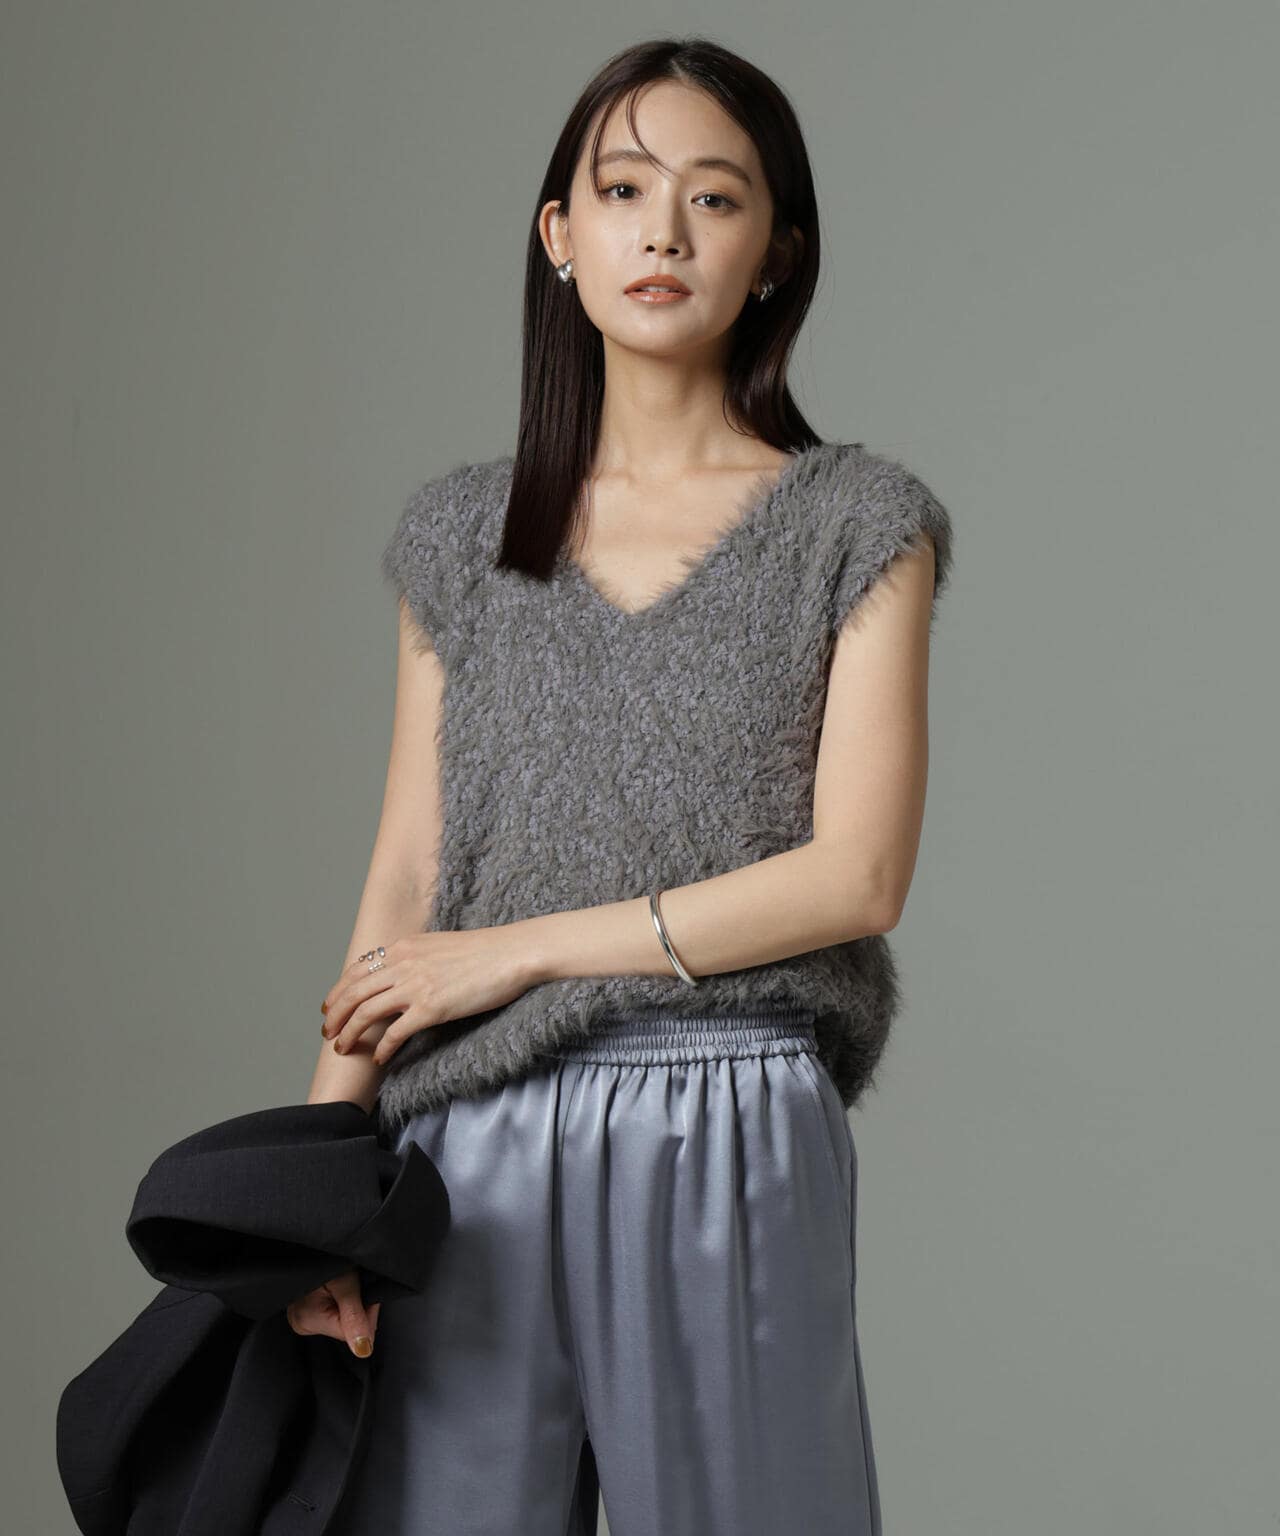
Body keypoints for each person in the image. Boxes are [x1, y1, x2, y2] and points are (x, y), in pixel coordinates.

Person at [287, 34, 954, 1536]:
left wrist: (520, 951)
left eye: (715, 199)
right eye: (623, 190)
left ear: (777, 255)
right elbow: (407, 875)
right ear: (559, 235)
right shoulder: (460, 537)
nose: (664, 233)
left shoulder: (858, 524)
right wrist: (318, 1173)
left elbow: (858, 877)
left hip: (730, 1107)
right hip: (466, 1140)